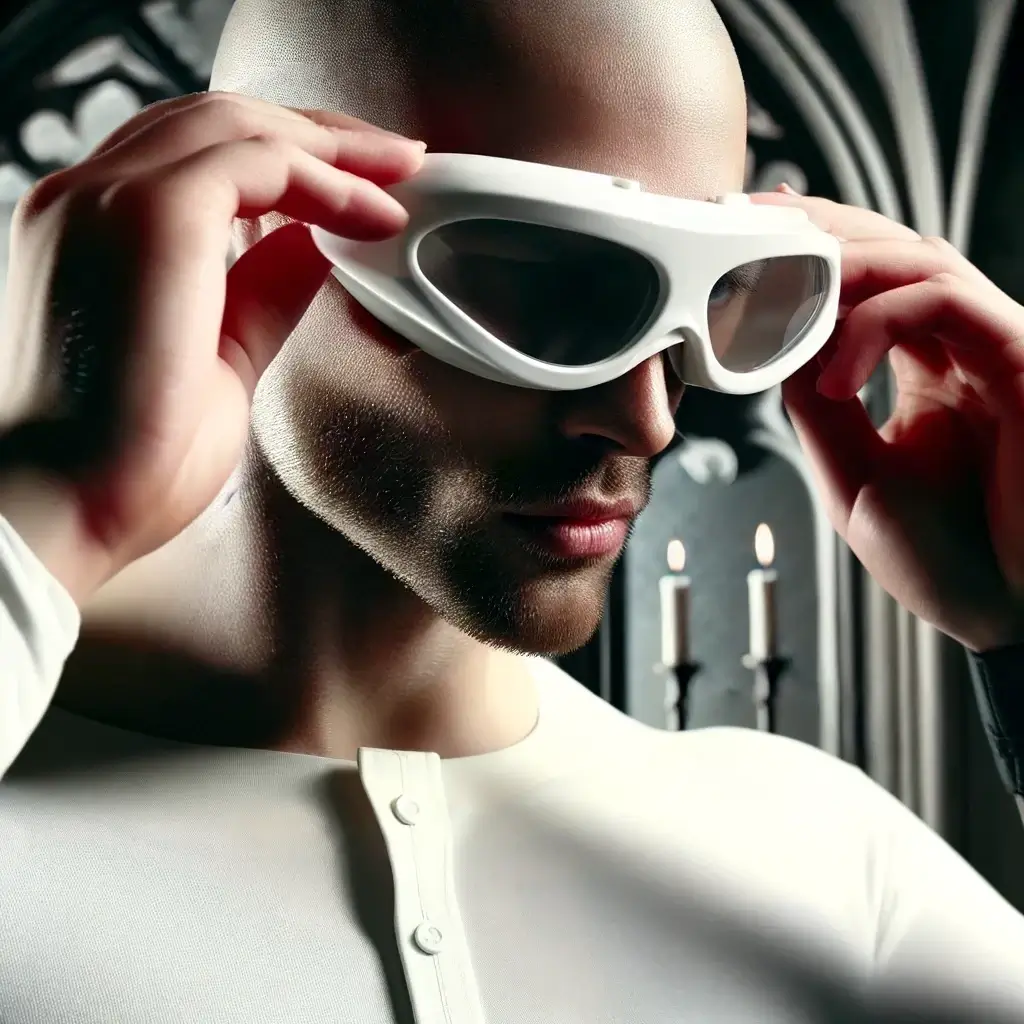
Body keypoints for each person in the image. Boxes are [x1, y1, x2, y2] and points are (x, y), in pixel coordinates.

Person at [1, 0, 1024, 1020]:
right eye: (535, 282)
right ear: (244, 222)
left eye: (717, 290)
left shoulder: (819, 854)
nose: (646, 418)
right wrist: (50, 510)